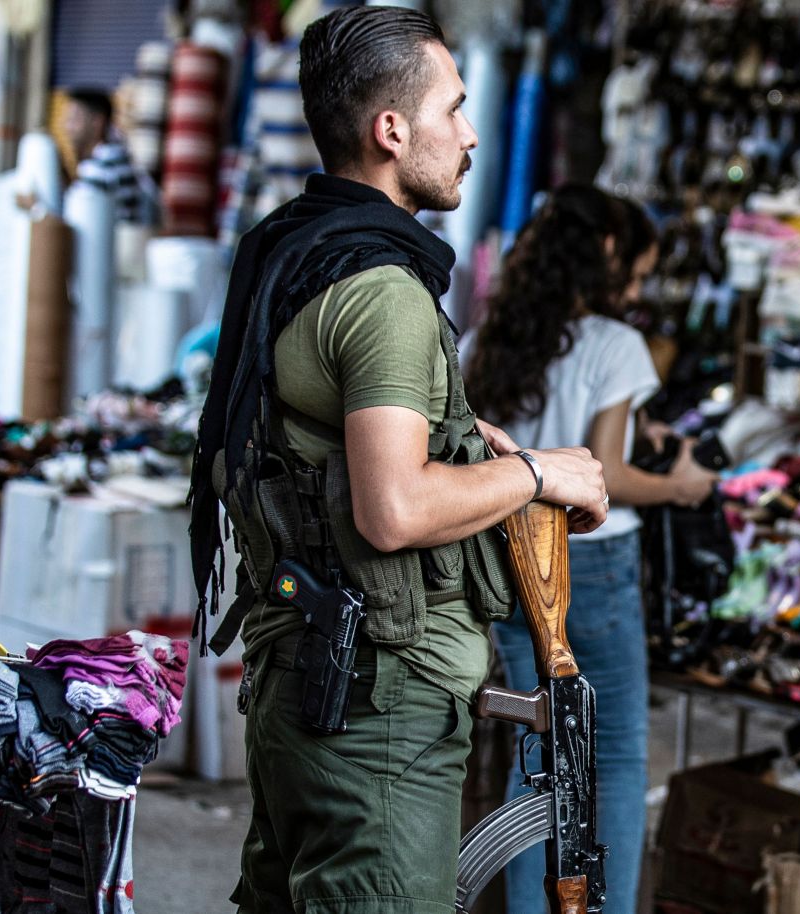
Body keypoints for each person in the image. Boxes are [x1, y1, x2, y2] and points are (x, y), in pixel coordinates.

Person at [187, 8, 609, 913]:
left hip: (306, 681)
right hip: (377, 713)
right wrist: (540, 474)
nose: (469, 133)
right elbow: (395, 510)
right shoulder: (383, 292)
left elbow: (322, 450)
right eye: (452, 109)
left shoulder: (296, 249)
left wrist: (465, 441)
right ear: (390, 130)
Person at [463, 185, 719, 914]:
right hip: (592, 561)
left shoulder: (487, 345)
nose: (635, 290)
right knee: (612, 755)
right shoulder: (616, 344)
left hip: (505, 550)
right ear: (605, 259)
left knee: (539, 753)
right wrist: (684, 486)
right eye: (635, 272)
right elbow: (609, 473)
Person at [63, 86, 158, 226]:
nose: (67, 127)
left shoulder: (103, 165)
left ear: (97, 122)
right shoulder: (116, 155)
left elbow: (76, 221)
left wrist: (37, 209)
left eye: (74, 119)